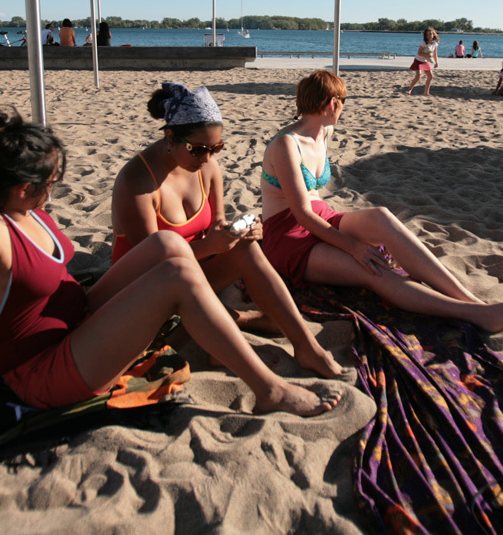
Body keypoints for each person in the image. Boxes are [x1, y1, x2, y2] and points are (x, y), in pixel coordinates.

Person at [0, 106, 341, 498]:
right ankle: (268, 389)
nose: (54, 190)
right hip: (45, 368)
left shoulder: (24, 209)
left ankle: (281, 340)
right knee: (176, 273)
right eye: (50, 183)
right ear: (22, 187)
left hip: (76, 317)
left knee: (170, 245)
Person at [260, 70, 503, 332]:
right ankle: (474, 314)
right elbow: (302, 214)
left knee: (381, 216)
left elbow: (314, 208)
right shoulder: (286, 144)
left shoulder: (324, 132)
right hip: (288, 235)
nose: (343, 107)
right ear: (332, 104)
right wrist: (353, 247)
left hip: (322, 217)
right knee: (372, 269)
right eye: (343, 101)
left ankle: (472, 301)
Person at [111, 83, 342, 379]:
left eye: (216, 148)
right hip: (141, 287)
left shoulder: (206, 166)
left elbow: (216, 224)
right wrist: (210, 247)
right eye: (198, 149)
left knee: (247, 248)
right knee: (255, 290)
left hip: (190, 270)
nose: (207, 158)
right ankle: (236, 324)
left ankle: (306, 346)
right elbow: (149, 262)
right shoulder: (136, 182)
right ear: (170, 137)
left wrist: (237, 232)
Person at [406, 27, 440, 96]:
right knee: (418, 75)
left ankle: (426, 92)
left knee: (430, 76)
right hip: (418, 60)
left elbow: (435, 54)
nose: (429, 35)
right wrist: (428, 55)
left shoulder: (435, 43)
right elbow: (419, 53)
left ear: (433, 34)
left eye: (430, 34)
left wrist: (436, 62)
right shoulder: (424, 43)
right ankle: (409, 89)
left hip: (425, 61)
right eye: (427, 34)